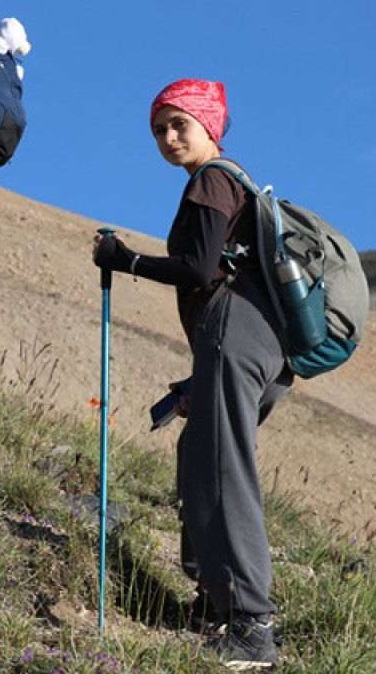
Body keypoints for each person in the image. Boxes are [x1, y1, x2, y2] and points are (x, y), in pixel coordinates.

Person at [92, 79, 290, 669]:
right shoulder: (235, 182)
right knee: (200, 457)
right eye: (159, 129)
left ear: (210, 125)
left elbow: (200, 269)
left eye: (180, 124)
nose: (169, 137)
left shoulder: (212, 178)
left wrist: (125, 260)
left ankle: (251, 626)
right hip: (264, 344)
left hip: (236, 331)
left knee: (222, 468)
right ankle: (213, 605)